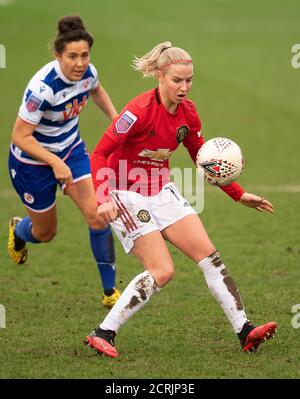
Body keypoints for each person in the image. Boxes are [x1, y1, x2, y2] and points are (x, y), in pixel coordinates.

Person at [85, 42, 277, 358]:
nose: (184, 87)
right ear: (160, 75)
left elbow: (202, 158)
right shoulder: (138, 111)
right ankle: (103, 332)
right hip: (123, 194)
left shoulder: (188, 112)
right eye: (177, 80)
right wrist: (102, 199)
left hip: (160, 191)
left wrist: (238, 194)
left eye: (189, 80)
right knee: (163, 271)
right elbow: (101, 152)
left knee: (210, 256)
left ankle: (245, 331)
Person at [7, 15, 121, 308]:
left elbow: (95, 89)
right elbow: (20, 136)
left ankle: (110, 292)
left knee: (97, 215)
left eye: (84, 55)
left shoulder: (88, 73)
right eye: (72, 56)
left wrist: (115, 119)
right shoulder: (42, 88)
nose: (79, 63)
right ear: (58, 55)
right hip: (31, 163)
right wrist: (54, 163)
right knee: (46, 233)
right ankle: (19, 230)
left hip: (71, 150)